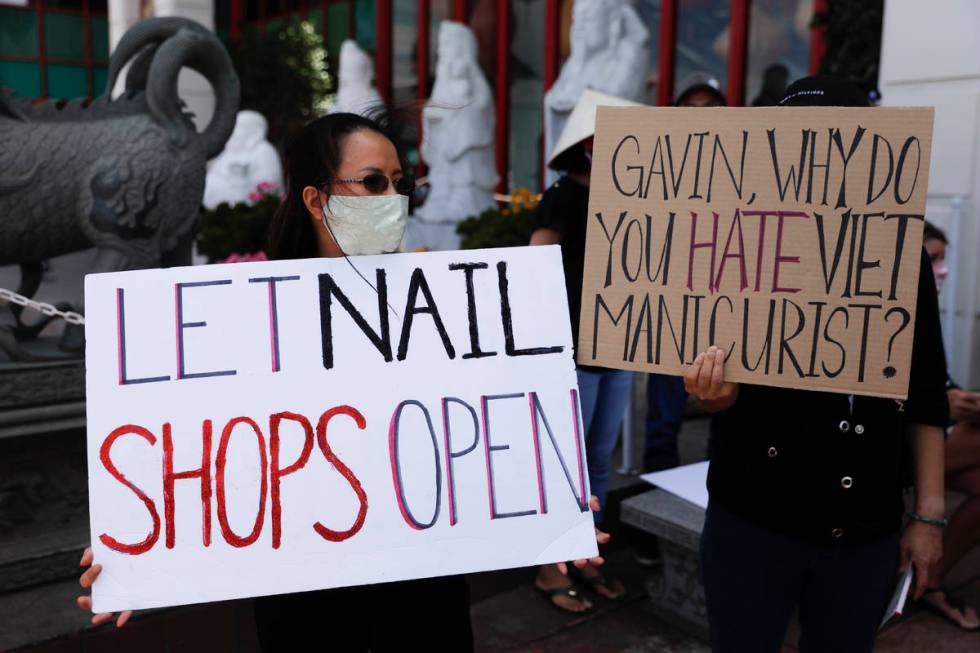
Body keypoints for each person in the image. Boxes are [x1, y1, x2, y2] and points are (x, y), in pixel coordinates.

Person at [77, 111, 610, 648]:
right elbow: (215, 449)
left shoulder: (443, 310)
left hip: (426, 593)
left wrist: (549, 501)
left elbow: (478, 430)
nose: (394, 197)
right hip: (309, 604)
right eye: (374, 182)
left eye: (402, 184)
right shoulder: (247, 321)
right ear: (316, 200)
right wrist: (137, 547)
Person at [686, 76, 948, 652]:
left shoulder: (902, 255)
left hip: (864, 529)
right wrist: (713, 394)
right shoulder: (741, 247)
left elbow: (926, 387)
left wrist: (929, 515)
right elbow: (720, 387)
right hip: (753, 520)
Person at [530, 90, 637, 612]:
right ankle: (551, 568)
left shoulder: (635, 195)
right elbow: (536, 266)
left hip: (619, 345)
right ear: (585, 142)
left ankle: (585, 557)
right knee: (566, 461)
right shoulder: (561, 196)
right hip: (571, 347)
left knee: (598, 461)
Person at [918, 222, 980, 630]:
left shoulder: (930, 315)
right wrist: (944, 402)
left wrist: (960, 400)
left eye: (943, 259)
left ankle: (929, 580)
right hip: (902, 449)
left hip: (941, 438)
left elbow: (938, 381)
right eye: (933, 259)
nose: (941, 270)